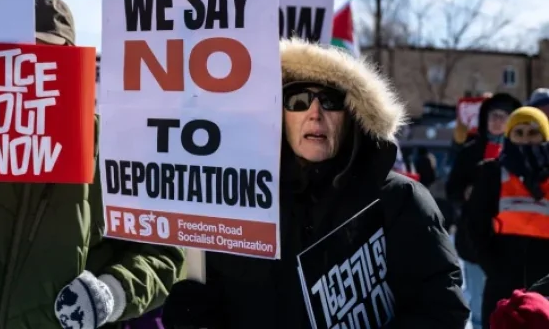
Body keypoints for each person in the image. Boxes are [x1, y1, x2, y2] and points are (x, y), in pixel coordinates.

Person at [0, 0, 185, 328]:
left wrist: (110, 294)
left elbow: (161, 253)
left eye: (48, 54)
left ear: (72, 62)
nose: (30, 65)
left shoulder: (112, 147)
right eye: (19, 52)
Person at [161, 38, 468, 328]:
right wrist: (197, 316)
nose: (314, 113)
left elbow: (441, 311)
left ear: (352, 114)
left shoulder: (399, 199)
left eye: (330, 100)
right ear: (278, 114)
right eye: (297, 99)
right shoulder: (240, 204)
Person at [466, 106, 549, 324]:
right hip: (503, 280)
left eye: (533, 133)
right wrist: (493, 267)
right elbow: (475, 224)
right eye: (518, 133)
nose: (525, 140)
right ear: (508, 136)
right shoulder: (492, 172)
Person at [447, 92, 521, 329]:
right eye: (493, 115)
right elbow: (452, 190)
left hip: (515, 244)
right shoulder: (470, 152)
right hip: (475, 244)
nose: (497, 120)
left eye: (503, 116)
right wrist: (466, 193)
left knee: (517, 308)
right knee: (480, 309)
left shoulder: (523, 152)